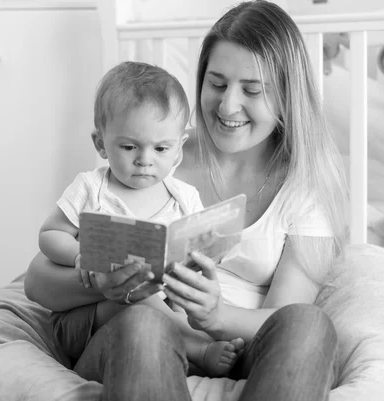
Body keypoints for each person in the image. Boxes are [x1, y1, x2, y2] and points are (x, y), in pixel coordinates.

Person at [24, 1, 349, 400]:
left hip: (237, 345)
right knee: (145, 321)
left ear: (285, 96)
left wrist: (217, 316)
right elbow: (38, 280)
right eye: (216, 84)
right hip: (139, 333)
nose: (228, 106)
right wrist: (106, 284)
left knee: (310, 324)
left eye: (251, 90)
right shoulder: (155, 154)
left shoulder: (305, 188)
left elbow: (284, 316)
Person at [38, 60, 243, 378]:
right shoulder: (91, 188)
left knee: (166, 297)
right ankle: (200, 349)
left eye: (161, 148)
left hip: (159, 314)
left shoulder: (184, 197)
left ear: (178, 150)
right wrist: (80, 257)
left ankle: (182, 345)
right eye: (129, 146)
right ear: (100, 143)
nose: (145, 160)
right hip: (87, 319)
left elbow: (197, 252)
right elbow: (50, 234)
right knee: (133, 297)